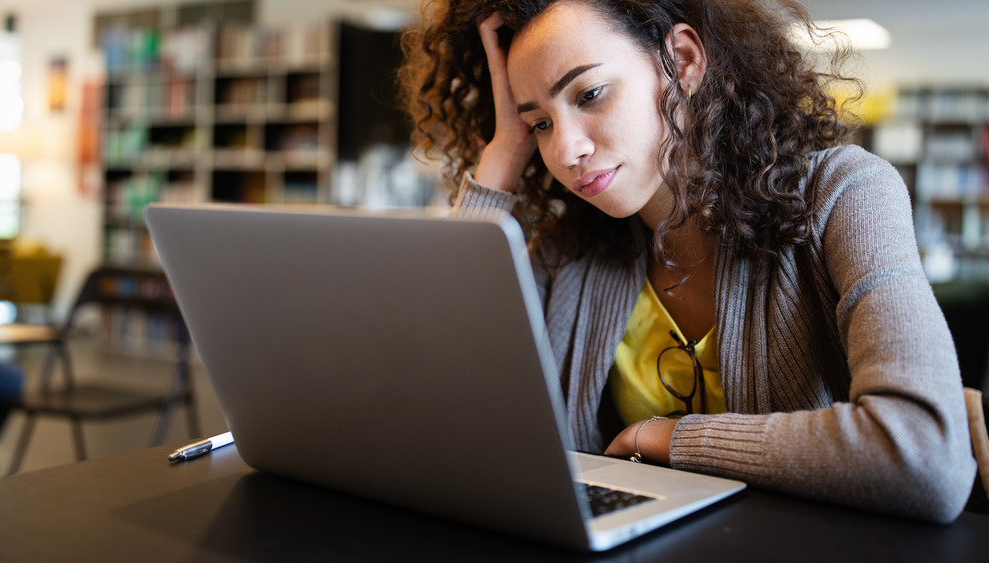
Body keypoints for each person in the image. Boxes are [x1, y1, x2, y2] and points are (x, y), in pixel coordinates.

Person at [397, 0, 976, 523]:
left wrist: (669, 439)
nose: (565, 150)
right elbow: (431, 410)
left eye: (590, 94)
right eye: (541, 123)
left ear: (682, 60)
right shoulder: (570, 252)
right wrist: (503, 152)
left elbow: (924, 455)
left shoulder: (845, 193)